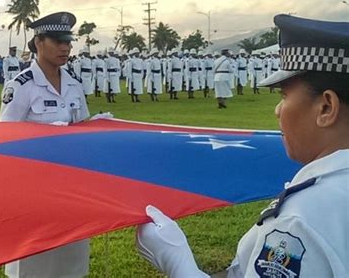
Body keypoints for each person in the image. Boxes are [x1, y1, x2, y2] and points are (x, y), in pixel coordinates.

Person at [136, 14, 349, 278]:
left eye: (284, 96)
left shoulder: (301, 221)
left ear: (326, 107)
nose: (277, 110)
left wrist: (180, 266)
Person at [0, 11, 91, 278]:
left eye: (69, 41)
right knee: (33, 259)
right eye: (58, 40)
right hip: (34, 184)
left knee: (71, 257)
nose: (66, 47)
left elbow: (83, 129)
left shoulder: (73, 84)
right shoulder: (22, 86)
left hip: (72, 183)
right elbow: (6, 140)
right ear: (39, 42)